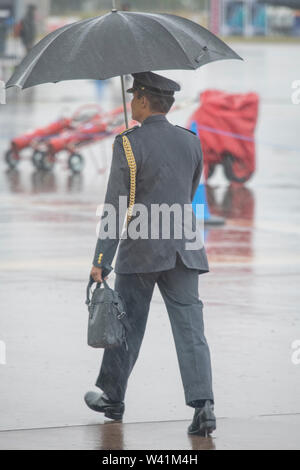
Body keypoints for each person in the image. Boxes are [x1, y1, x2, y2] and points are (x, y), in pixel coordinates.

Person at [85, 71, 216, 436]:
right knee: (191, 331)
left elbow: (116, 206)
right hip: (185, 248)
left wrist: (100, 261)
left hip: (142, 250)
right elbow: (188, 193)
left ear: (143, 101)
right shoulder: (191, 141)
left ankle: (112, 397)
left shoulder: (127, 143)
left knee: (126, 326)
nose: (131, 102)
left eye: (133, 97)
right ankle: (203, 407)